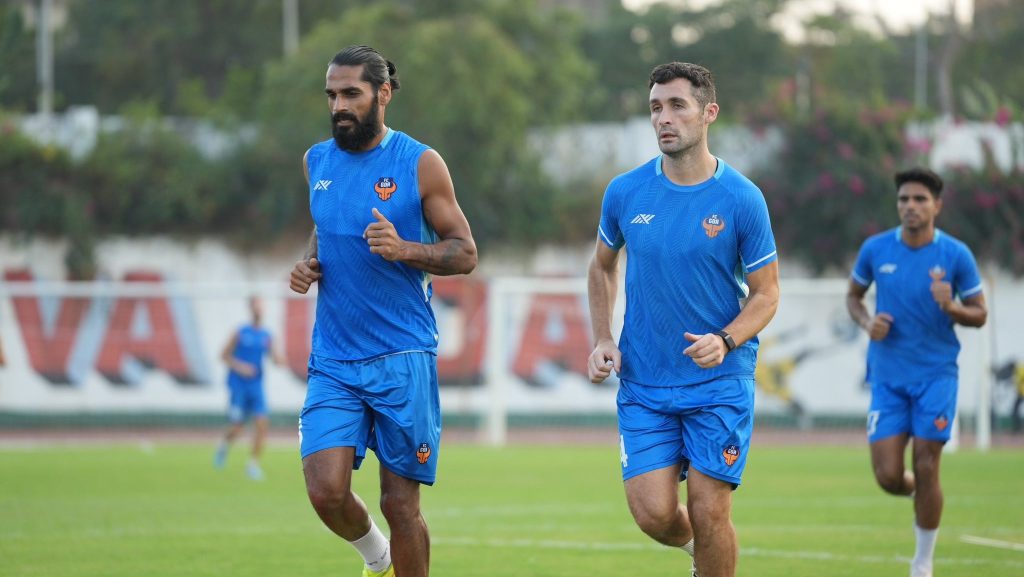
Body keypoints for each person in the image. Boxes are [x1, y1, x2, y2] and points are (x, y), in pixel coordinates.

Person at [289, 45, 477, 577]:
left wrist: (406, 250)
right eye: (332, 95)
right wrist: (309, 264)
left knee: (401, 505)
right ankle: (377, 555)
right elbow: (327, 226)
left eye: (351, 93)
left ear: (383, 93)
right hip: (334, 359)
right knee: (325, 492)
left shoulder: (419, 163)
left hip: (402, 356)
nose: (339, 106)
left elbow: (464, 251)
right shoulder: (316, 160)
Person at [587, 62, 779, 577]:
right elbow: (602, 267)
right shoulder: (625, 193)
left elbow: (767, 294)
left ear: (708, 113)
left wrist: (727, 338)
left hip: (718, 380)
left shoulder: (742, 199)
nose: (663, 118)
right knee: (653, 514)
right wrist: (603, 337)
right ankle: (705, 556)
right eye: (655, 107)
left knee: (709, 509)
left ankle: (712, 552)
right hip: (645, 380)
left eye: (677, 105)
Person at [846, 167, 987, 577]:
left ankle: (922, 563)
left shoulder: (956, 256)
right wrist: (866, 321)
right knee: (889, 476)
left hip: (936, 376)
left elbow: (980, 314)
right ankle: (920, 493)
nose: (910, 206)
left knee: (928, 463)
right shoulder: (876, 249)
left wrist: (953, 307)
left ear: (937, 206)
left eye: (920, 199)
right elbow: (853, 297)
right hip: (888, 377)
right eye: (904, 199)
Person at [213, 296, 284, 480]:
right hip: (238, 386)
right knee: (238, 427)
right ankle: (224, 445)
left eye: (262, 306)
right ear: (250, 309)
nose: (259, 310)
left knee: (261, 424)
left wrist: (280, 360)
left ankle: (253, 465)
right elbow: (223, 355)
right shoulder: (240, 332)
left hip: (256, 386)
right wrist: (241, 367)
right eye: (256, 306)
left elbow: (276, 359)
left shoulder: (267, 336)